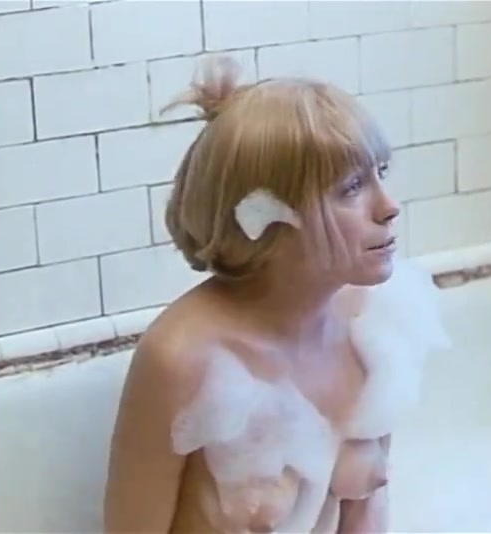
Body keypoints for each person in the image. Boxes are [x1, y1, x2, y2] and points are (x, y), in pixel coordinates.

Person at [103, 55, 449, 534]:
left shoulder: (371, 324)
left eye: (380, 173)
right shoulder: (184, 359)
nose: (389, 207)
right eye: (351, 187)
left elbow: (365, 517)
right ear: (263, 217)